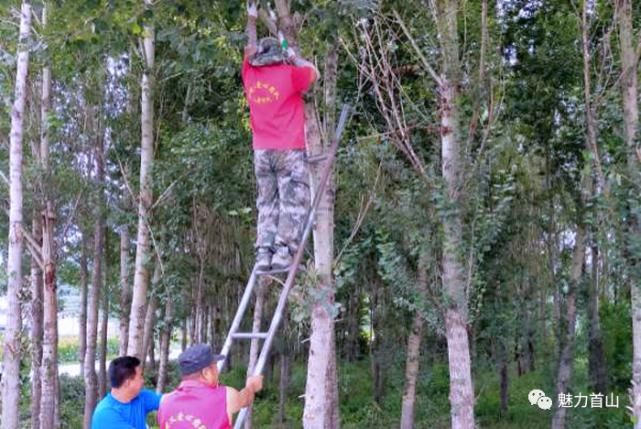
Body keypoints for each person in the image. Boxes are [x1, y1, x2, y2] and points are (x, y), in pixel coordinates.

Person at [242, 0, 319, 272]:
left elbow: (249, 49)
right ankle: (284, 253)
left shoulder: (250, 74)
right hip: (288, 149)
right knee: (293, 200)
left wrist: (252, 18)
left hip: (261, 152)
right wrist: (291, 54)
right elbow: (314, 72)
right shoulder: (289, 73)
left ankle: (264, 253)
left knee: (267, 203)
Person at [157, 343, 263, 429]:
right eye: (215, 367)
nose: (217, 372)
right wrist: (252, 385)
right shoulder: (224, 397)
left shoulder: (164, 402)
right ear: (206, 372)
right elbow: (246, 398)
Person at [91, 356, 162, 429]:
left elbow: (170, 401)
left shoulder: (141, 397)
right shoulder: (105, 414)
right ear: (127, 383)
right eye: (140, 376)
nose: (143, 381)